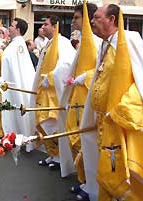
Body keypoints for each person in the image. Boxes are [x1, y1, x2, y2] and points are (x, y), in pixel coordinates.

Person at [77, 4, 143, 201]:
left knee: (122, 169)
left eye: (97, 17)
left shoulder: (130, 40)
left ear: (112, 19)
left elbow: (140, 78)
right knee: (105, 164)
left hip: (121, 122)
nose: (92, 21)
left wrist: (121, 109)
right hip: (102, 121)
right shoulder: (104, 45)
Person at [62, 2, 101, 197]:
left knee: (87, 142)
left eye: (77, 17)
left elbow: (101, 70)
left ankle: (92, 184)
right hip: (77, 98)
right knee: (76, 140)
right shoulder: (83, 41)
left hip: (88, 99)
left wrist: (84, 77)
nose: (73, 21)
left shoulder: (96, 41)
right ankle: (84, 180)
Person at [31, 15, 76, 177]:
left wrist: (49, 78)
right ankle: (52, 154)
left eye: (46, 24)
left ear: (55, 26)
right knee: (46, 127)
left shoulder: (62, 43)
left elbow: (66, 65)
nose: (43, 27)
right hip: (44, 93)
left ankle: (59, 158)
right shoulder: (48, 43)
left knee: (54, 126)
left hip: (53, 94)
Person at [1, 18, 35, 152]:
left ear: (18, 29)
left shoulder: (19, 45)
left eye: (12, 26)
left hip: (15, 85)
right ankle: (12, 137)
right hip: (11, 83)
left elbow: (18, 68)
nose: (9, 27)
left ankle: (19, 138)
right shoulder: (15, 44)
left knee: (17, 111)